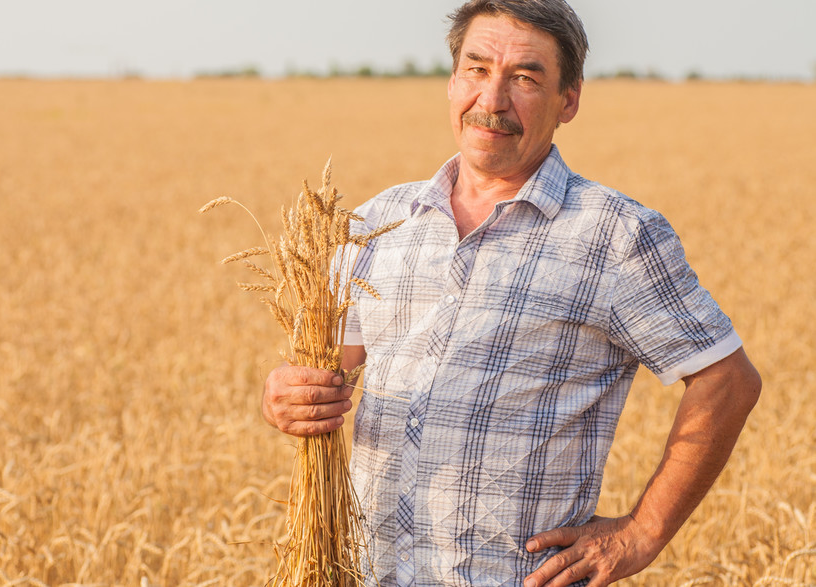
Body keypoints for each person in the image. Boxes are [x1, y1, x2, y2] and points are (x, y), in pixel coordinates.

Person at [263, 0, 762, 586]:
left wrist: (641, 532)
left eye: (524, 78)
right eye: (476, 69)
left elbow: (728, 380)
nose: (492, 100)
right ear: (452, 82)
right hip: (369, 574)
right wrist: (285, 395)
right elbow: (326, 375)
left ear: (568, 100)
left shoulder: (615, 235)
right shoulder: (378, 222)